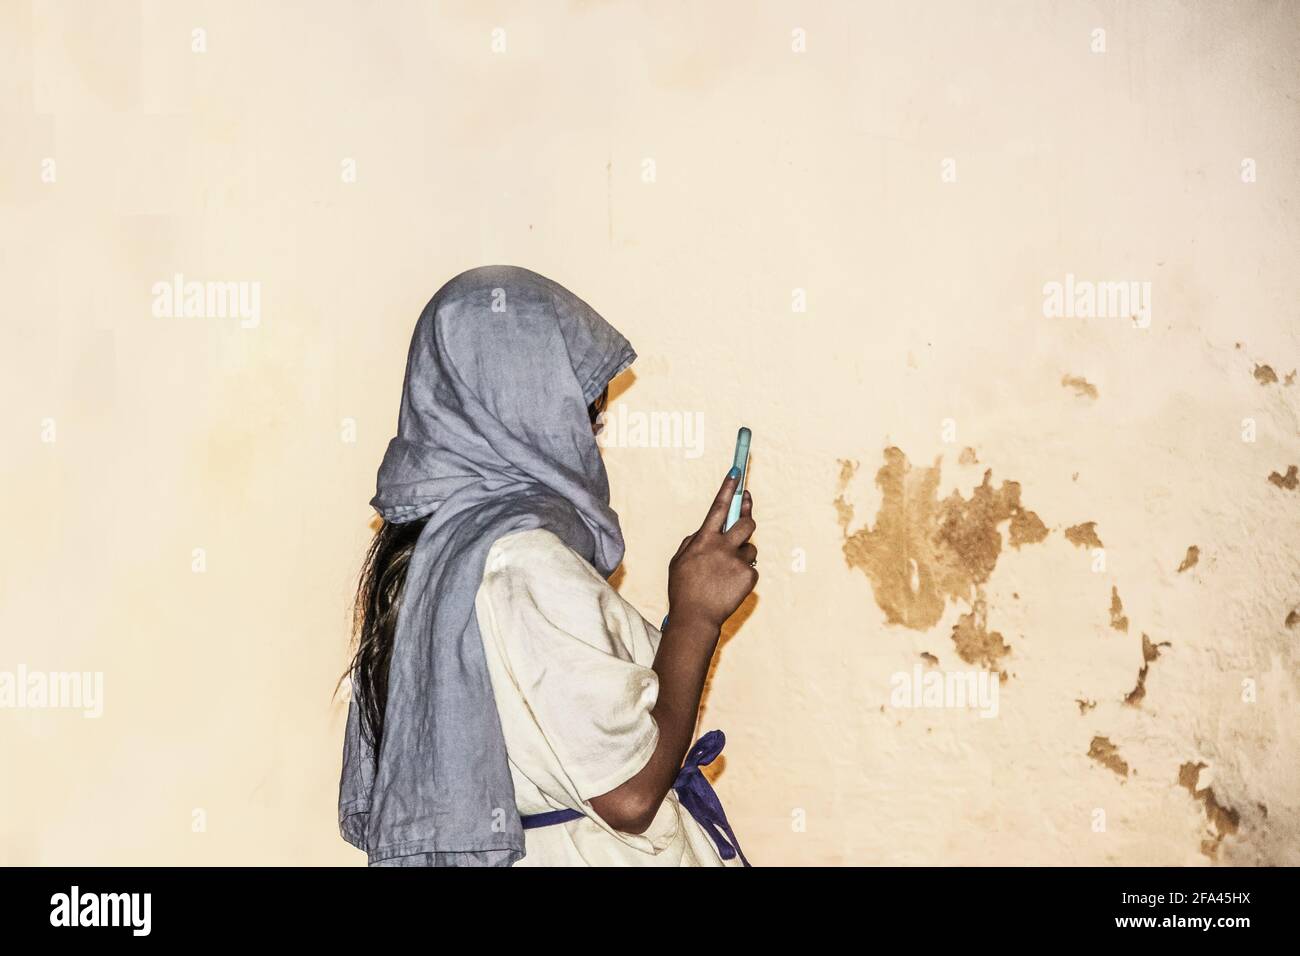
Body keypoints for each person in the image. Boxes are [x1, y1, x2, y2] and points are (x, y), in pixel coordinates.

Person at [338, 265, 758, 866]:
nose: (591, 438)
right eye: (584, 415)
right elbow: (631, 793)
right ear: (521, 414)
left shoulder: (436, 553)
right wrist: (696, 617)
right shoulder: (522, 560)